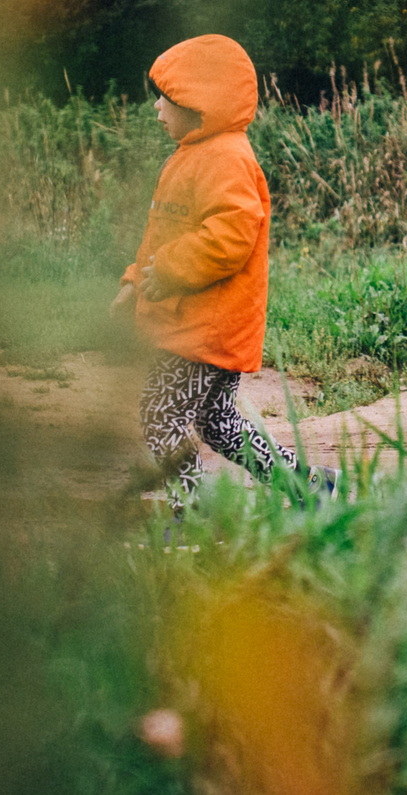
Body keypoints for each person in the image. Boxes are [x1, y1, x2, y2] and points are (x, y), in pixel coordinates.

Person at [114, 33, 302, 499]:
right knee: (217, 422)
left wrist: (167, 270)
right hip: (197, 322)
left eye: (166, 97)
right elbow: (162, 236)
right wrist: (135, 280)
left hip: (206, 327)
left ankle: (195, 515)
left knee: (161, 414)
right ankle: (308, 487)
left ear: (198, 104)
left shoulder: (227, 158)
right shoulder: (192, 155)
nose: (157, 107)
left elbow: (231, 236)